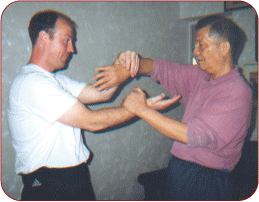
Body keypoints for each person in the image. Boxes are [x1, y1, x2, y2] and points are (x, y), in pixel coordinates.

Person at [7, 9, 180, 200]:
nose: (72, 49)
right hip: (48, 183)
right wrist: (141, 110)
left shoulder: (54, 81)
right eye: (67, 40)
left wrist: (120, 65)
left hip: (73, 176)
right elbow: (92, 122)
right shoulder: (31, 83)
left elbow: (103, 93)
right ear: (43, 37)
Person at [93, 14, 252, 200]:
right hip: (181, 170)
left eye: (202, 45)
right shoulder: (201, 76)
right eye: (195, 45)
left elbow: (192, 135)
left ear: (224, 48)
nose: (195, 51)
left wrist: (142, 109)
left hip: (208, 180)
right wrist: (129, 66)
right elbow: (159, 68)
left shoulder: (237, 92)